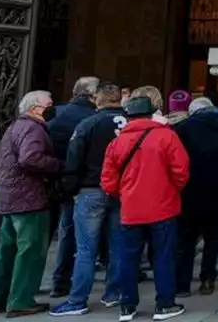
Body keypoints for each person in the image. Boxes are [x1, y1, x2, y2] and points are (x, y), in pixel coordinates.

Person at [100, 97, 189, 322]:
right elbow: (181, 171)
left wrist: (126, 194)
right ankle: (164, 304)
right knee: (163, 257)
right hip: (163, 208)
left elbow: (108, 181)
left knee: (128, 258)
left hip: (130, 210)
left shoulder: (116, 143)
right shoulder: (167, 136)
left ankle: (127, 306)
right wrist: (170, 190)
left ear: (128, 116)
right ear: (151, 114)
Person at [50, 83, 129, 316]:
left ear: (98, 99)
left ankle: (77, 300)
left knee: (86, 249)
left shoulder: (89, 124)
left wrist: (70, 188)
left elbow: (74, 158)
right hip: (121, 191)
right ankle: (113, 293)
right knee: (117, 245)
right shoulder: (131, 124)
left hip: (91, 190)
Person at [0, 91, 61, 318]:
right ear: (35, 108)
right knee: (30, 252)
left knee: (6, 251)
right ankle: (20, 300)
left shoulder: (15, 127)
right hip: (30, 200)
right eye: (49, 104)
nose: (52, 108)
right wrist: (57, 165)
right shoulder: (33, 128)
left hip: (11, 198)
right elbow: (30, 158)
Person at [172, 97, 218, 297]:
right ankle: (208, 278)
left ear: (193, 112)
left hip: (191, 192)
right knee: (213, 240)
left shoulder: (183, 128)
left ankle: (182, 285)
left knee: (186, 240)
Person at [47, 77, 100, 299]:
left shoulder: (56, 115)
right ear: (91, 94)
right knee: (78, 237)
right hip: (81, 185)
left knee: (53, 234)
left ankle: (57, 281)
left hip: (51, 181)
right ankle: (71, 285)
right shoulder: (92, 119)